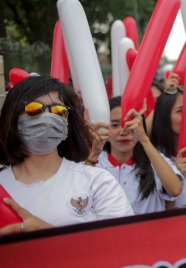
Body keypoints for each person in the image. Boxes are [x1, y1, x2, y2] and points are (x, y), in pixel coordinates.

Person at [0, 76, 133, 234]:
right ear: (12, 115)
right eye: (34, 109)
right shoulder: (3, 184)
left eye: (58, 111)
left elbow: (124, 245)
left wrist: (47, 235)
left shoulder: (97, 181)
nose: (48, 117)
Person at [87, 96, 183, 214]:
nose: (123, 132)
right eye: (115, 125)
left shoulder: (154, 160)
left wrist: (144, 139)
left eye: (129, 124)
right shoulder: (95, 161)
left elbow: (175, 190)